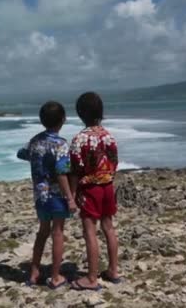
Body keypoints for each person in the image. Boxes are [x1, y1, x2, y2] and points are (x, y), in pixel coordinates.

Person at [17, 101, 77, 289]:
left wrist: (38, 159)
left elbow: (21, 154)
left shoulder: (35, 141)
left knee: (42, 232)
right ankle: (55, 276)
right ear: (63, 120)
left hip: (40, 196)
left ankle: (34, 272)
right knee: (57, 233)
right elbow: (61, 173)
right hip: (57, 196)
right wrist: (70, 198)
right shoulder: (61, 144)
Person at [69, 92, 121, 291]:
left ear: (80, 113)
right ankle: (113, 271)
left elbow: (75, 170)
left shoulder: (79, 139)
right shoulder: (108, 135)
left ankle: (91, 278)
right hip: (107, 185)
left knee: (90, 231)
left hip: (89, 188)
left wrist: (72, 195)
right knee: (109, 227)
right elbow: (114, 161)